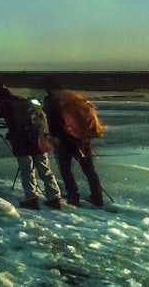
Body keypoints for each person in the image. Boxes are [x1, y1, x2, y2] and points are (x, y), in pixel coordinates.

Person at [0, 82, 62, 210]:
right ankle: (54, 197)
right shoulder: (21, 101)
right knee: (45, 169)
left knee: (27, 170)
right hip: (38, 139)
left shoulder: (5, 103)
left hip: (21, 141)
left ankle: (31, 199)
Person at [42, 75, 105, 207]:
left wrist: (52, 136)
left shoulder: (52, 102)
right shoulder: (75, 98)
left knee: (66, 169)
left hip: (64, 140)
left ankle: (73, 196)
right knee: (89, 170)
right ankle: (97, 197)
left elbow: (54, 123)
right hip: (82, 138)